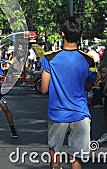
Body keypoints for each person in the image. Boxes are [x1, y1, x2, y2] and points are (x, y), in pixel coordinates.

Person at [40, 18, 97, 169]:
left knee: (55, 154)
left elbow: (44, 88)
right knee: (76, 158)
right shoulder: (89, 60)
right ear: (80, 35)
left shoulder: (50, 58)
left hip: (57, 114)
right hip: (80, 113)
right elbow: (89, 86)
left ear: (62, 34)